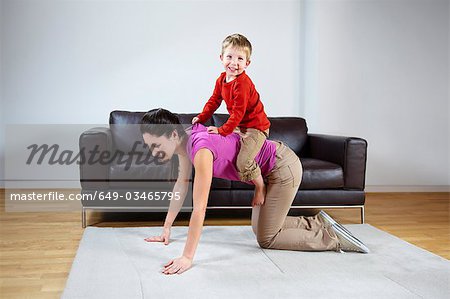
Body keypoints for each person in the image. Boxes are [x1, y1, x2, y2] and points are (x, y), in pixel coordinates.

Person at [141, 108, 369, 275]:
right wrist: (167, 227)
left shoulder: (200, 149)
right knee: (258, 227)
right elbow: (181, 185)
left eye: (155, 145)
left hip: (282, 167)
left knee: (268, 238)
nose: (153, 152)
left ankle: (333, 237)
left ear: (172, 135)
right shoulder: (185, 139)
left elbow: (200, 208)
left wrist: (187, 257)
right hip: (268, 171)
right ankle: (319, 222)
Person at [192, 33, 270, 208]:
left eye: (240, 59)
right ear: (221, 58)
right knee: (223, 146)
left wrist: (222, 130)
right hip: (240, 126)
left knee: (243, 161)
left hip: (256, 128)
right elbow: (214, 101)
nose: (234, 63)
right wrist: (202, 117)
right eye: (229, 57)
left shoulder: (243, 84)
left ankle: (260, 186)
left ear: (247, 63)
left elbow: (238, 113)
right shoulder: (221, 79)